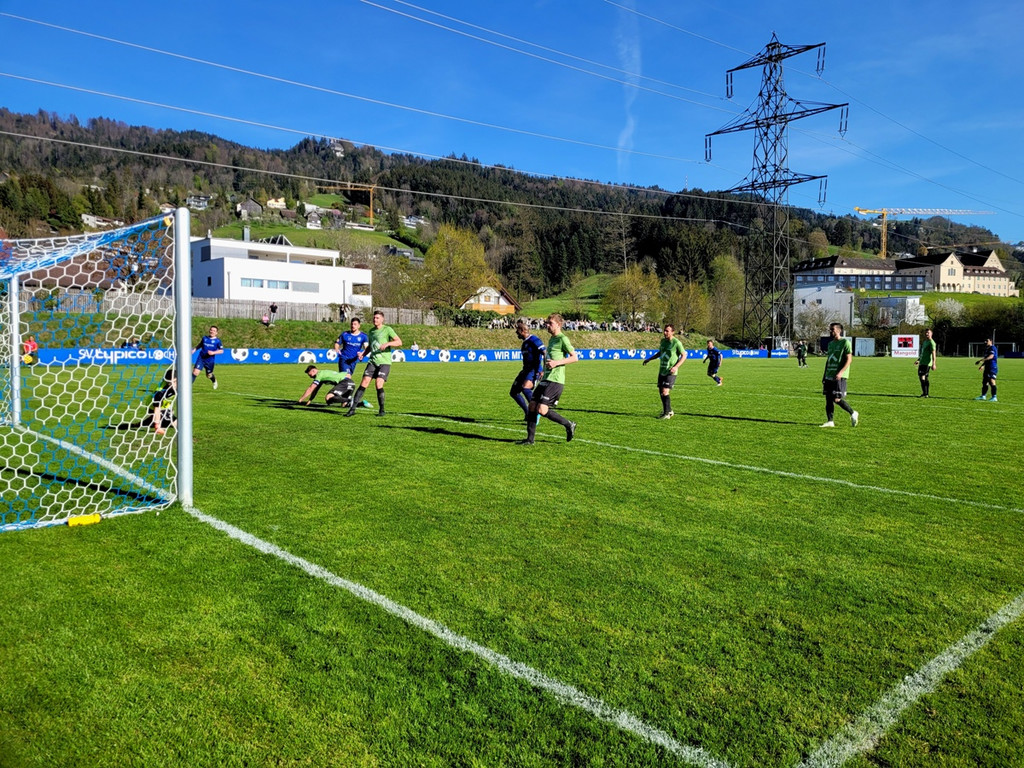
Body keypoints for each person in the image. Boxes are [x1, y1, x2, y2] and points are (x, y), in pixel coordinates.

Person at [519, 313, 577, 444]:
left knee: (542, 409)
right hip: (546, 378)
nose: (547, 325)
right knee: (532, 405)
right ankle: (529, 440)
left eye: (550, 323)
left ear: (558, 324)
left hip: (556, 380)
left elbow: (575, 357)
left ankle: (569, 424)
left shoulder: (563, 339)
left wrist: (556, 363)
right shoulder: (552, 339)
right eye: (547, 323)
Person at [346, 310, 401, 417]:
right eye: (374, 318)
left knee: (378, 384)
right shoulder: (371, 332)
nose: (375, 320)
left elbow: (399, 342)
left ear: (382, 319)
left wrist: (387, 343)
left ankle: (382, 410)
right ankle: (352, 409)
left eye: (377, 318)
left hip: (384, 362)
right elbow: (371, 346)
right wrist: (363, 353)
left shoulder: (387, 329)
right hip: (372, 361)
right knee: (364, 382)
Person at [642, 324, 686, 419]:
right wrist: (649, 359)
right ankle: (669, 411)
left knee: (665, 392)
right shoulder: (663, 341)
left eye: (667, 331)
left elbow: (684, 355)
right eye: (664, 331)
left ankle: (666, 414)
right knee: (661, 392)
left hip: (671, 371)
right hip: (662, 370)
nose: (665, 333)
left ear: (672, 332)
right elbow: (660, 353)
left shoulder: (676, 343)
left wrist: (676, 367)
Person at [821, 322, 858, 428]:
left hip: (839, 376)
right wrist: (824, 374)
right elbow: (828, 360)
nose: (830, 331)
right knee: (828, 399)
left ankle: (853, 412)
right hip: (829, 374)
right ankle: (830, 421)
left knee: (836, 399)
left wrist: (841, 372)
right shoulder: (831, 344)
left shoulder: (845, 342)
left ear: (839, 330)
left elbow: (849, 359)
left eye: (832, 329)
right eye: (830, 329)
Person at [510, 319, 546, 418]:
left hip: (534, 370)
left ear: (523, 331)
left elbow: (544, 352)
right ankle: (528, 413)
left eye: (517, 331)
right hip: (525, 370)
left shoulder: (534, 340)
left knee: (526, 389)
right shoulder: (524, 343)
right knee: (514, 392)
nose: (516, 333)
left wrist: (543, 370)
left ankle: (536, 411)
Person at [192, 325, 224, 389]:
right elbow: (200, 345)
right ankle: (187, 386)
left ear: (216, 333)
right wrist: (194, 350)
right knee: (195, 372)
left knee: (209, 375)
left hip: (210, 360)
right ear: (209, 330)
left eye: (214, 331)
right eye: (211, 330)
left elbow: (221, 351)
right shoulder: (204, 338)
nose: (212, 331)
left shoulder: (218, 341)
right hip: (201, 358)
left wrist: (213, 353)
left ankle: (214, 381)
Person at [152, 366, 176, 435]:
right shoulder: (160, 393)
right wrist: (157, 426)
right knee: (178, 424)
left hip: (165, 408)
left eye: (175, 381)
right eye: (173, 382)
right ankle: (158, 422)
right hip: (155, 408)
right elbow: (157, 408)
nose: (174, 384)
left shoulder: (177, 386)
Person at [915, 328, 937, 397]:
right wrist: (918, 360)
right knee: (922, 377)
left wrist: (934, 364)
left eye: (928, 332)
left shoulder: (931, 342)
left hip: (927, 363)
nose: (927, 334)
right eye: (926, 333)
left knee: (923, 377)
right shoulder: (925, 342)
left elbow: (934, 353)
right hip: (922, 362)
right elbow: (923, 353)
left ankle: (925, 393)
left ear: (931, 334)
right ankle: (925, 393)